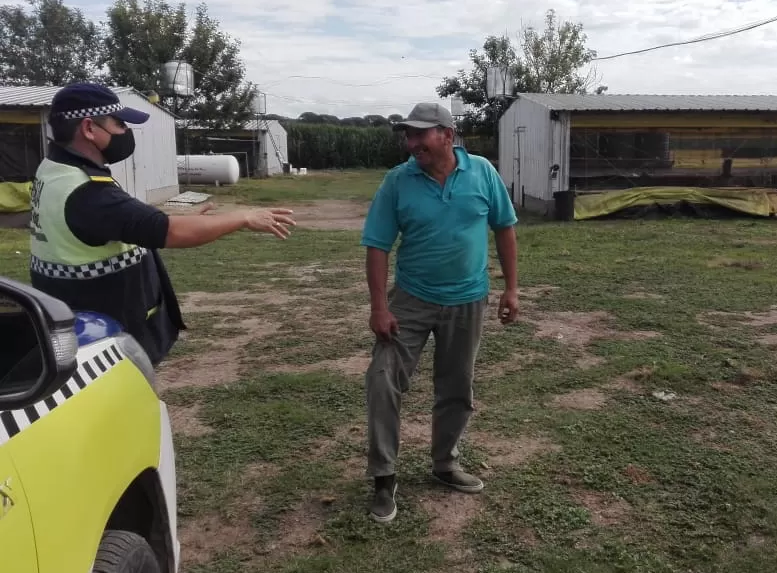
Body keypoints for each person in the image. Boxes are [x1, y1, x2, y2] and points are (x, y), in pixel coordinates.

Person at [28, 82, 296, 367]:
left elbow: (117, 222)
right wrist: (244, 217)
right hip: (105, 338)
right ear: (89, 128)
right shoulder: (88, 190)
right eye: (119, 124)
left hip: (74, 320)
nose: (126, 132)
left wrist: (175, 218)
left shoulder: (55, 171)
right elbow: (170, 232)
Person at [360, 101, 519, 524]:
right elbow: (377, 244)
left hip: (468, 298)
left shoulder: (482, 172)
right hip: (411, 299)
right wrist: (379, 306)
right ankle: (384, 477)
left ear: (447, 135)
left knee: (456, 387)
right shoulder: (398, 181)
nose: (412, 143)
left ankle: (445, 464)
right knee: (382, 378)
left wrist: (512, 288)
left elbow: (504, 227)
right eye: (408, 135)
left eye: (420, 135)